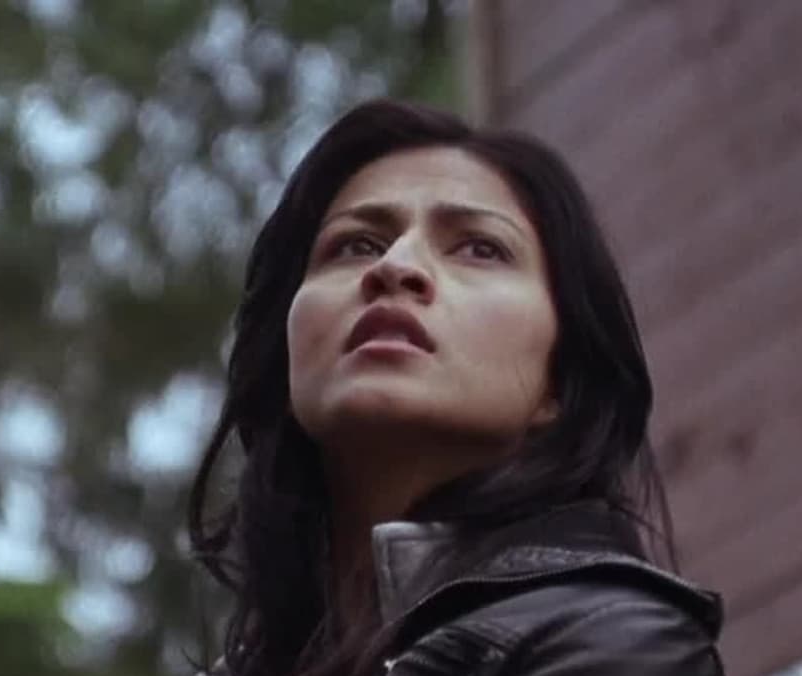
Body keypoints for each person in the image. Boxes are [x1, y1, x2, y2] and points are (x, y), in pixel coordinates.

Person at [186, 99, 725, 676]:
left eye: (480, 248)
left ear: (560, 383)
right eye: (356, 245)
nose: (395, 266)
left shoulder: (613, 642)